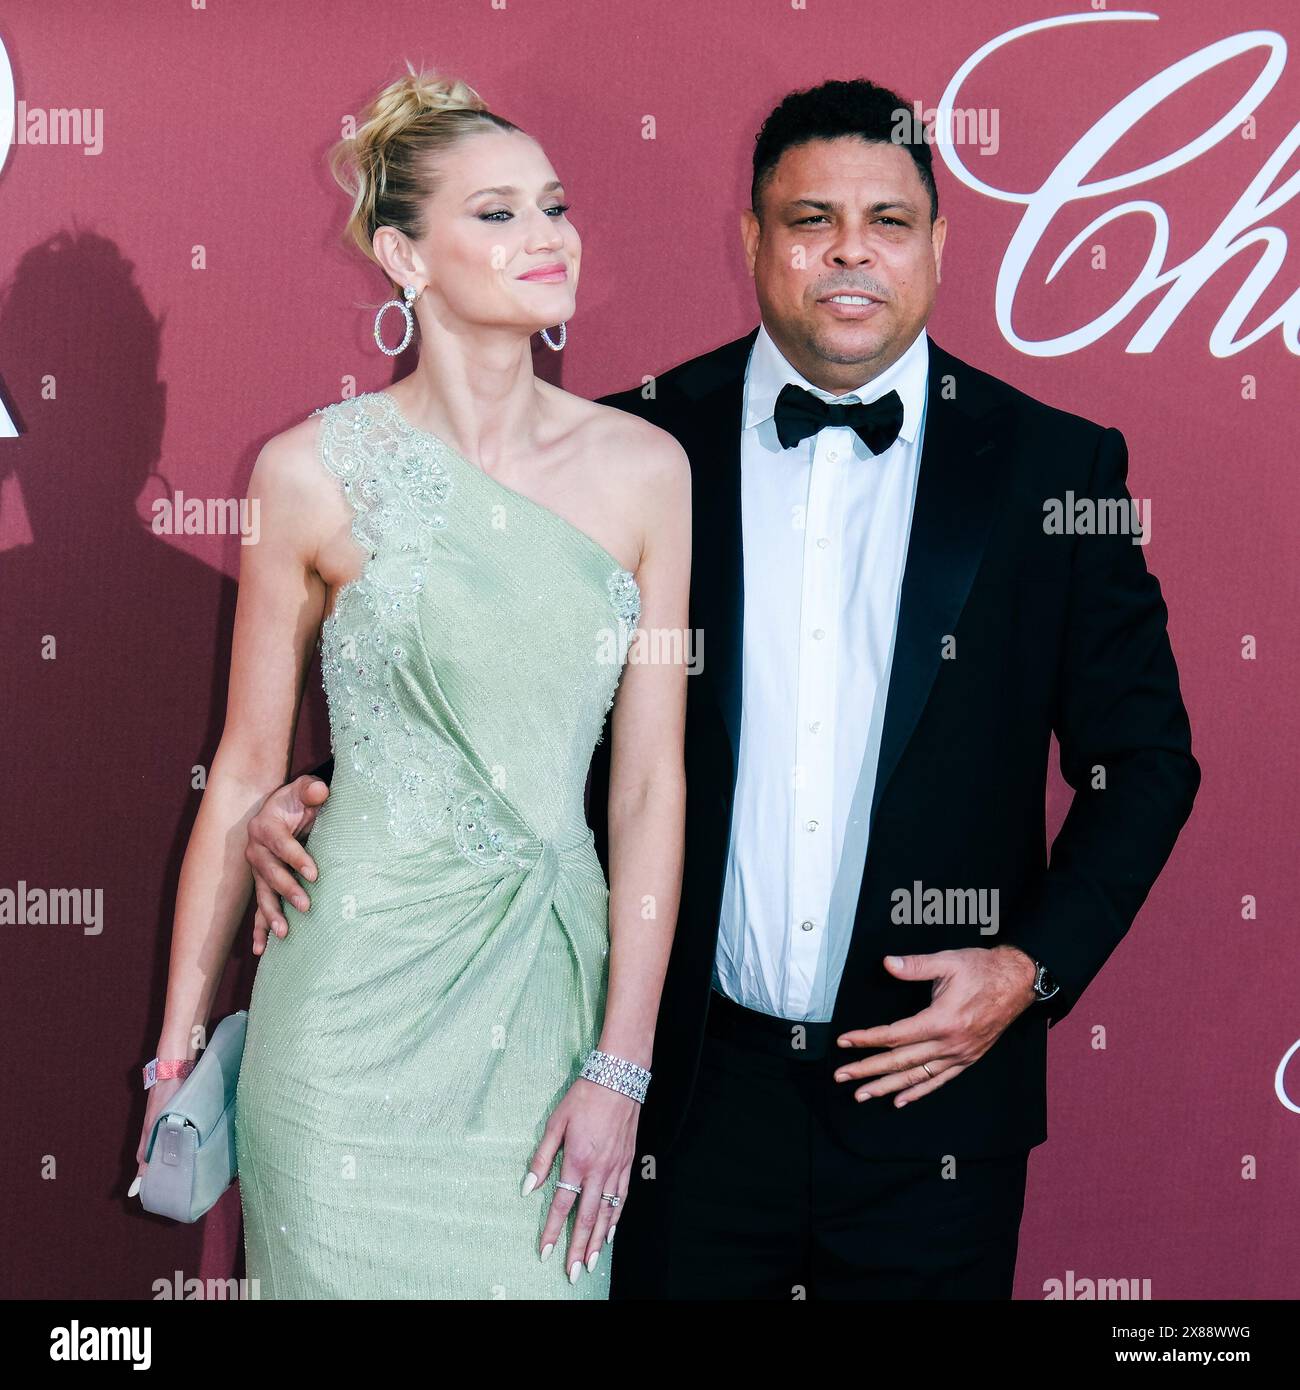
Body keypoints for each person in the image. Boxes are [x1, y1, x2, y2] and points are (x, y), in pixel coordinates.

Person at [246, 78, 1199, 1299]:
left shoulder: (1054, 466)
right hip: (669, 1098)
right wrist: (329, 790)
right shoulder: (636, 444)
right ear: (752, 241)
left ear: (939, 244)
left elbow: (1148, 763)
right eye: (810, 220)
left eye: (888, 221)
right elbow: (514, 693)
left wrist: (1032, 967)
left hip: (932, 1105)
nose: (850, 250)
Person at [130, 68, 690, 1299]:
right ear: (403, 255)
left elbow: (649, 786)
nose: (545, 236)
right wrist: (176, 1050)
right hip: (344, 1022)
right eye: (495, 214)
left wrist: (622, 1066)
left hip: (546, 1010)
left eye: (553, 205)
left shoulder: (648, 472)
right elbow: (245, 766)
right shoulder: (306, 474)